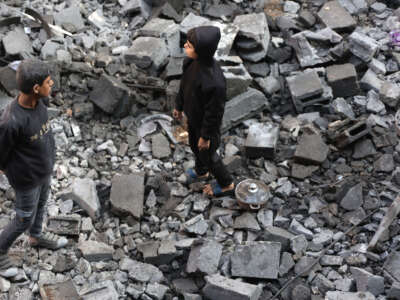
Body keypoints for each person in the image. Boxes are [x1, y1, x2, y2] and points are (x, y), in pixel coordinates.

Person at [0, 59, 67, 277]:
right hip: (27, 179)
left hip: (43, 170)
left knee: (43, 203)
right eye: (49, 82)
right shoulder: (11, 121)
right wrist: (14, 171)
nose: (53, 84)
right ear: (36, 88)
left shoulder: (40, 103)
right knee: (23, 217)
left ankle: (36, 236)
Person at [173, 26, 234, 197]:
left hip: (207, 127)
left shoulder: (215, 83)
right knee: (194, 145)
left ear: (202, 50)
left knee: (209, 155)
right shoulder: (190, 62)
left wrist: (206, 136)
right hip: (193, 118)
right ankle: (202, 172)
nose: (185, 46)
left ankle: (226, 183)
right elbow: (183, 87)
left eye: (190, 45)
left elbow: (214, 113)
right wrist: (179, 106)